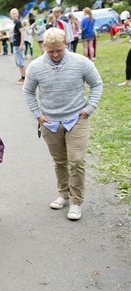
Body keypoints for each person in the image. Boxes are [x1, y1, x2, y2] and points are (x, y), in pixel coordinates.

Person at [23, 28, 102, 221]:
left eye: (59, 50)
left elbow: (97, 84)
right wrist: (37, 115)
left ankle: (76, 201)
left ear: (65, 45)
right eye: (51, 51)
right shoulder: (36, 67)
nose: (55, 55)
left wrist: (89, 108)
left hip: (77, 119)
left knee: (76, 160)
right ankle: (63, 193)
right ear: (45, 48)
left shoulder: (81, 62)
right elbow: (28, 91)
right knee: (60, 161)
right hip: (50, 122)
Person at [10, 8, 27, 84]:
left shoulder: (18, 23)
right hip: (15, 44)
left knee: (20, 62)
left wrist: (21, 44)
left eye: (16, 13)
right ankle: (22, 76)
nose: (15, 14)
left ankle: (25, 78)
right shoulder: (14, 23)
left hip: (18, 45)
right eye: (13, 13)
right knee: (18, 62)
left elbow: (22, 33)